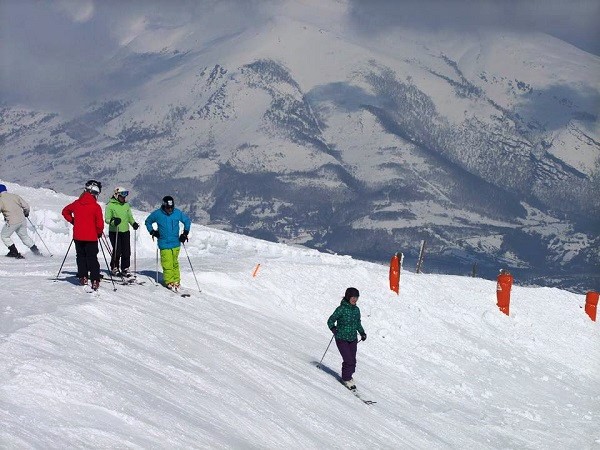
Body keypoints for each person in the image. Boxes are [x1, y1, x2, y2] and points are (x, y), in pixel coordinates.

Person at [62, 180, 104, 290]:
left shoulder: (77, 203)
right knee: (92, 258)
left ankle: (83, 277)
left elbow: (65, 211)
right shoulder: (96, 207)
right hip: (91, 237)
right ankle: (95, 279)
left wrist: (73, 221)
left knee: (81, 257)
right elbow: (99, 224)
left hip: (78, 236)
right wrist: (99, 233)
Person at [145, 195, 191, 292]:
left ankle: (176, 280)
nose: (170, 209)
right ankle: (169, 281)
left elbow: (187, 221)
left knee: (174, 263)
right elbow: (148, 221)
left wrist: (185, 233)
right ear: (164, 206)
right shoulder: (158, 214)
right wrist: (152, 231)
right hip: (164, 243)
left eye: (171, 207)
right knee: (167, 263)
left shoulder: (177, 213)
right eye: (168, 208)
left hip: (175, 243)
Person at [327, 287, 367, 390]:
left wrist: (362, 333)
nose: (355, 299)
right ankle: (346, 378)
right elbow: (330, 321)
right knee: (348, 360)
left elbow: (358, 323)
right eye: (353, 297)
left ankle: (348, 376)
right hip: (341, 338)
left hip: (353, 338)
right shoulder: (341, 309)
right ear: (348, 297)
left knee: (352, 361)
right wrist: (334, 330)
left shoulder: (356, 310)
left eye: (356, 297)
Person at [104, 186, 139, 277]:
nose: (123, 198)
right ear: (116, 195)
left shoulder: (126, 205)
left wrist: (133, 223)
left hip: (125, 231)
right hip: (115, 231)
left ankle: (125, 268)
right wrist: (113, 221)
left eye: (124, 196)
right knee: (117, 250)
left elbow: (129, 217)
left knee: (126, 250)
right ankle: (114, 267)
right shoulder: (110, 205)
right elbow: (107, 219)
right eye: (121, 196)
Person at [0, 184, 41, 258]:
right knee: (24, 236)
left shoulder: (1, 199)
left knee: (4, 236)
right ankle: (36, 252)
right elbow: (26, 206)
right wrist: (26, 213)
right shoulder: (15, 196)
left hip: (11, 221)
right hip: (22, 220)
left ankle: (14, 252)